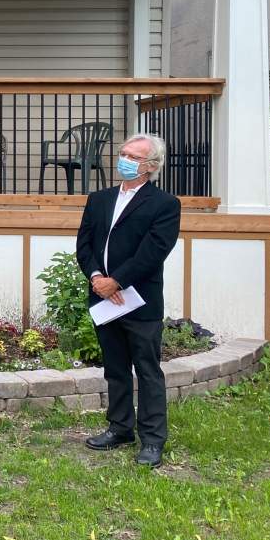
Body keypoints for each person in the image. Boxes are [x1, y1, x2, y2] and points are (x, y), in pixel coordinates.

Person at [76, 133, 181, 468]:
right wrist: (97, 278)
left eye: (132, 156)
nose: (123, 158)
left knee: (147, 370)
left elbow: (154, 252)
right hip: (103, 299)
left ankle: (152, 440)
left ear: (150, 166)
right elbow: (84, 244)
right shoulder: (99, 199)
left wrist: (117, 281)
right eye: (122, 153)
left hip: (139, 300)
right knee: (115, 367)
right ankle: (120, 427)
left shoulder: (165, 204)